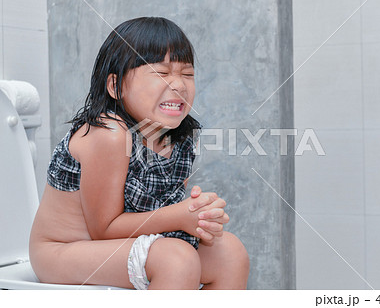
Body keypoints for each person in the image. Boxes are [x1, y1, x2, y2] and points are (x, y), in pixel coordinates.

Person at [29, 16, 249, 290]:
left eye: (187, 74)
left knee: (230, 253)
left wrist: (198, 215)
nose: (179, 85)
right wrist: (180, 216)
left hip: (125, 246)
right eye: (161, 73)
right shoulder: (109, 134)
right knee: (176, 260)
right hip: (64, 252)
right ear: (116, 86)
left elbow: (162, 214)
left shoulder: (180, 136)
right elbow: (104, 229)